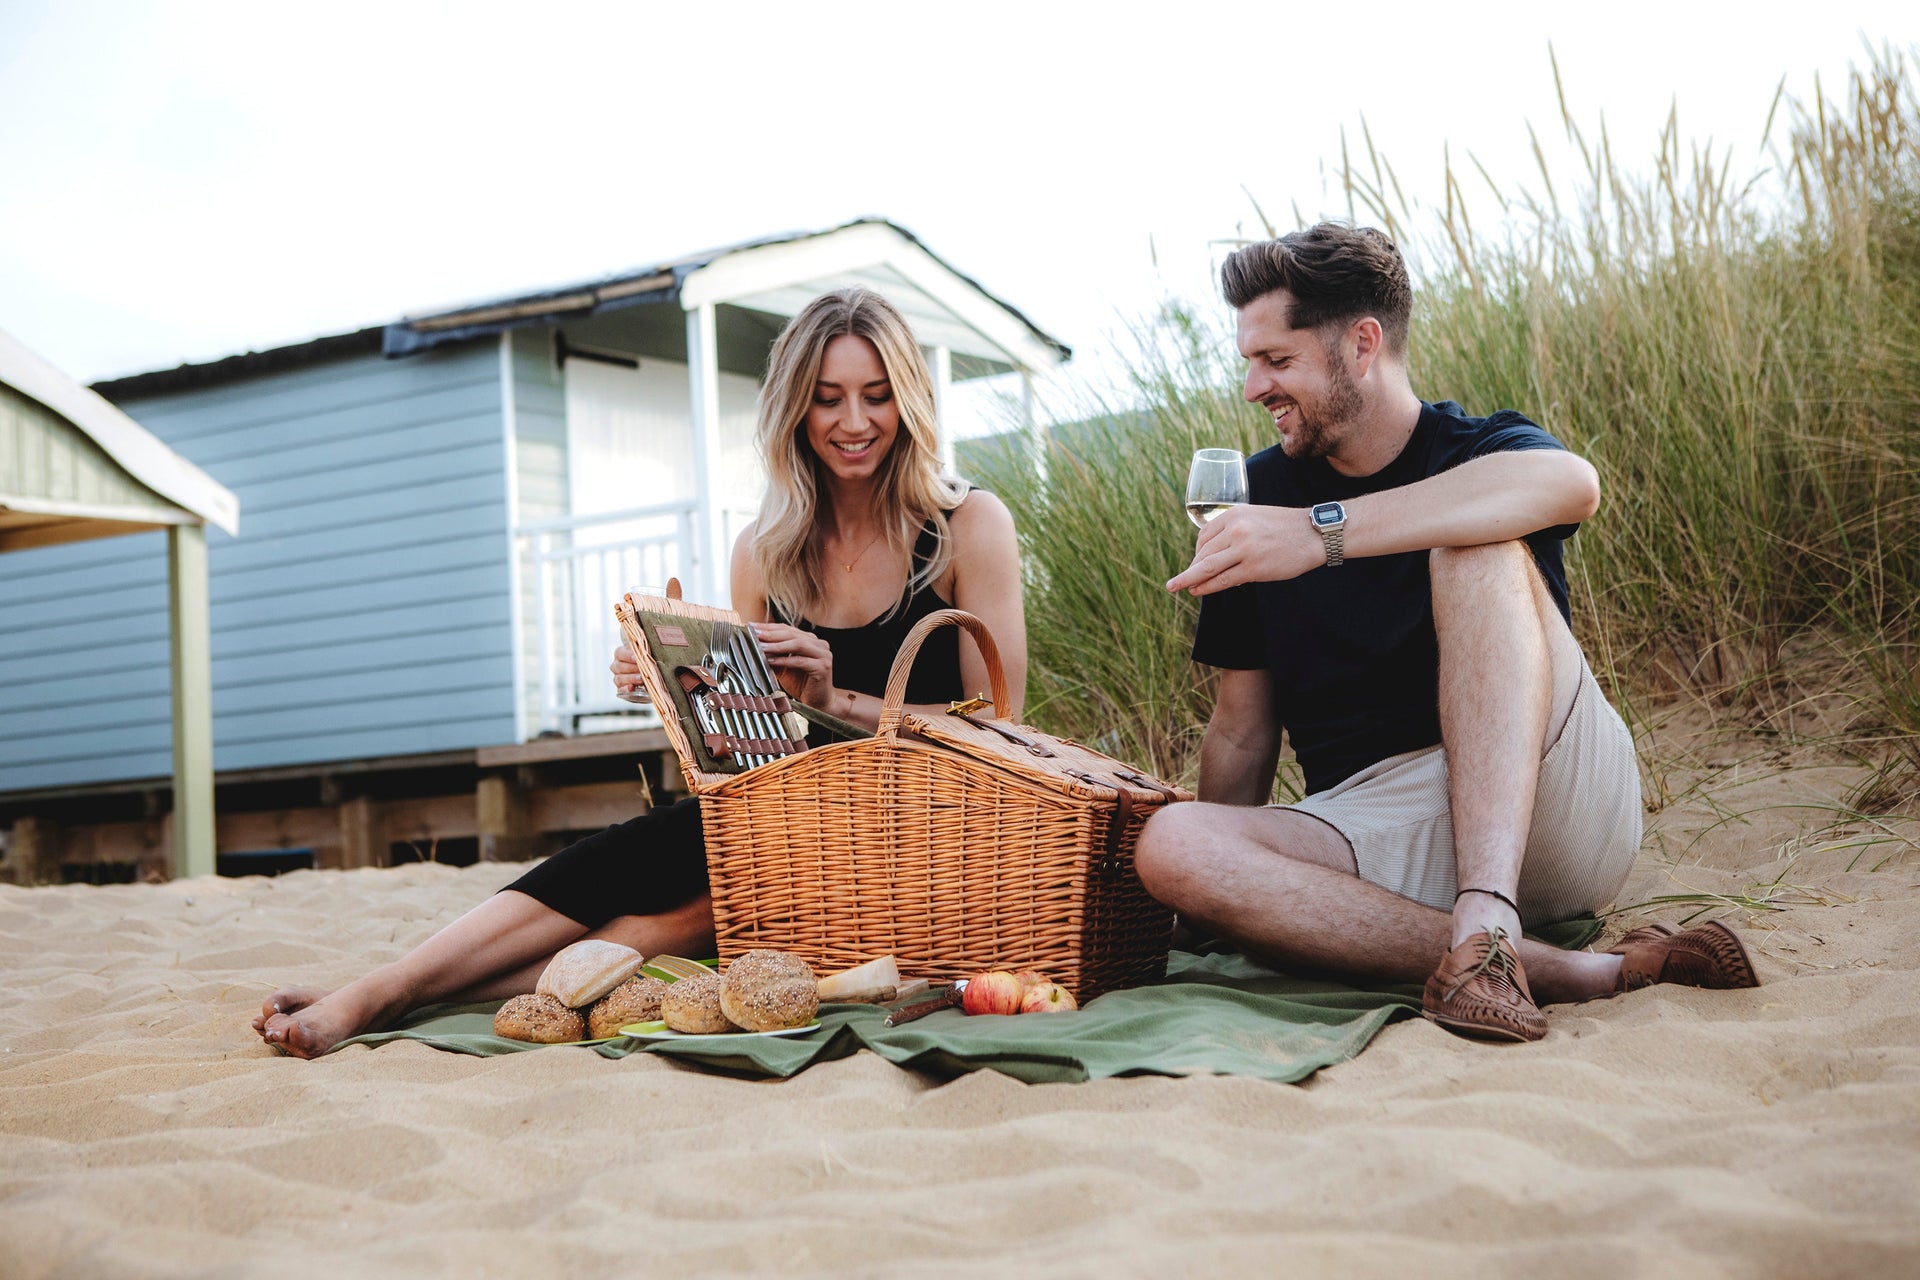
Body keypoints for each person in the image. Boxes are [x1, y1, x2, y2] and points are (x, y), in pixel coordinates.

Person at [255, 287, 1026, 1058]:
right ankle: (393, 987)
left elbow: (1003, 731)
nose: (853, 422)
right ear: (795, 407)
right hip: (783, 819)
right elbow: (748, 749)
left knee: (700, 909)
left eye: (876, 395)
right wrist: (675, 684)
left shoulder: (968, 527)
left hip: (917, 826)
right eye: (828, 398)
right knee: (654, 854)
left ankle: (396, 991)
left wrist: (836, 701)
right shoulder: (766, 549)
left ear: (909, 400)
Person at [1134, 224, 1758, 1043]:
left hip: (1550, 797)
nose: (1254, 386)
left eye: (1277, 360)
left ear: (1362, 345)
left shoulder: (1474, 451)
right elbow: (1242, 732)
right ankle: (1562, 969)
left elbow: (1573, 484)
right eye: (1249, 361)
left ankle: (1490, 914)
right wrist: (1213, 895)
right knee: (1172, 844)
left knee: (1473, 544)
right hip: (1386, 834)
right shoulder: (1256, 495)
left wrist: (1320, 534)